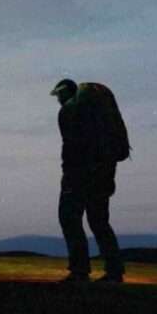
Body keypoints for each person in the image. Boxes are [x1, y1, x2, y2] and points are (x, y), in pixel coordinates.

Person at [53, 78, 128, 283]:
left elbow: (70, 146)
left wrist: (68, 174)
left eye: (58, 95)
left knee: (69, 218)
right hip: (104, 172)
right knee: (99, 221)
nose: (58, 100)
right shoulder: (99, 113)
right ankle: (114, 270)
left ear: (64, 93)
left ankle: (80, 269)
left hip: (78, 174)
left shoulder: (67, 111)